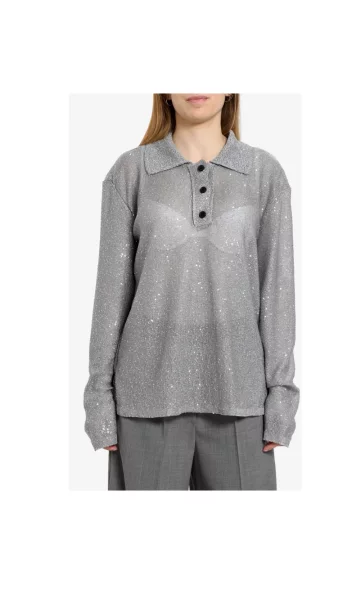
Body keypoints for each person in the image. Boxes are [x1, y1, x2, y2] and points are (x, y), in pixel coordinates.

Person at [83, 93, 300, 490]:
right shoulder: (131, 172)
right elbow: (110, 293)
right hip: (144, 402)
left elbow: (278, 292)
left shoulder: (263, 174)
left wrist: (281, 397)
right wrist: (99, 397)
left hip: (241, 399)